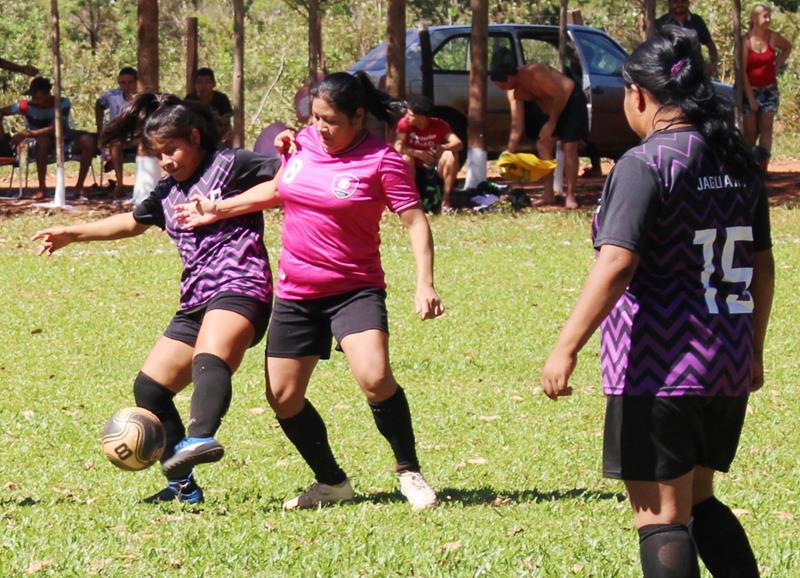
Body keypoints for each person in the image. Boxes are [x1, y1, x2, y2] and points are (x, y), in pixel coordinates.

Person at [541, 27, 773, 578]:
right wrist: (754, 349)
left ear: (638, 95)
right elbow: (763, 265)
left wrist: (565, 348)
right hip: (726, 363)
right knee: (697, 501)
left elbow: (617, 263)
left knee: (660, 518)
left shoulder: (646, 164)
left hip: (660, 367)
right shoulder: (736, 158)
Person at [176, 71, 445, 512]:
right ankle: (332, 482)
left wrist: (424, 282)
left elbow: (415, 221)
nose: (321, 127)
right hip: (297, 292)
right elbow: (279, 189)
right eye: (316, 117)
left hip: (354, 289)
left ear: (359, 117)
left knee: (375, 378)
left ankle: (408, 471)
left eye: (332, 120)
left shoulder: (382, 161)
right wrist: (217, 209)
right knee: (282, 397)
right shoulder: (302, 143)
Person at [31, 93, 280, 503]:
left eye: (172, 151)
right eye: (157, 155)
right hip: (196, 297)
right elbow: (132, 222)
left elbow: (290, 176)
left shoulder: (231, 164)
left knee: (209, 356)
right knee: (150, 389)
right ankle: (182, 487)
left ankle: (200, 438)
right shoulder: (167, 192)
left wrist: (229, 204)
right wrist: (72, 234)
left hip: (241, 285)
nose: (166, 161)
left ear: (195, 137)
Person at [490, 49, 588, 209]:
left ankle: (570, 194)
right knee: (543, 145)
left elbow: (560, 94)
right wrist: (509, 151)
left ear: (511, 77)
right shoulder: (513, 93)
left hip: (570, 100)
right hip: (548, 110)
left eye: (503, 85)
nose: (503, 89)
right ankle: (548, 193)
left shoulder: (535, 72)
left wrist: (552, 123)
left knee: (569, 146)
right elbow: (517, 124)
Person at [0, 76, 98, 200]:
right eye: (33, 97)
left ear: (48, 94)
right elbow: (1, 111)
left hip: (64, 139)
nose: (34, 100)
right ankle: (42, 188)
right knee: (43, 140)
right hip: (37, 143)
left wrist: (28, 133)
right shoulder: (25, 105)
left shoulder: (62, 103)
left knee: (88, 141)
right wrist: (2, 136)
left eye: (38, 97)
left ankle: (79, 186)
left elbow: (55, 128)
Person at [743, 3, 793, 173]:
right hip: (749, 89)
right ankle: (749, 168)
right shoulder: (746, 40)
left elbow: (787, 47)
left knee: (766, 128)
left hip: (769, 89)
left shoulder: (773, 37)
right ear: (754, 19)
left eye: (769, 15)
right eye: (765, 16)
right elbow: (742, 71)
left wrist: (776, 66)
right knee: (750, 131)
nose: (768, 19)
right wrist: (750, 98)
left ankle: (763, 168)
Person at [394, 96, 463, 213]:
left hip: (434, 167)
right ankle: (411, 200)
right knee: (406, 158)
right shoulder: (404, 124)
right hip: (414, 168)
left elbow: (458, 143)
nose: (406, 116)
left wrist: (443, 147)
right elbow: (398, 146)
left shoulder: (439, 124)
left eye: (410, 114)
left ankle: (446, 200)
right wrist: (417, 153)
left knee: (450, 155)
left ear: (421, 117)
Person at [95, 67, 139, 198]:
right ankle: (120, 184)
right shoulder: (112, 95)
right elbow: (99, 104)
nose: (127, 86)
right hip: (119, 136)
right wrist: (99, 125)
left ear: (136, 81)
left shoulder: (142, 97)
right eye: (122, 82)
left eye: (130, 82)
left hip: (139, 136)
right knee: (115, 145)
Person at [656, 0, 719, 77]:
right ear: (669, 4)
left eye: (683, 1)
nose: (679, 4)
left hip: (696, 75)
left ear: (688, 3)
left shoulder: (697, 21)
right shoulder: (661, 24)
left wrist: (712, 64)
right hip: (670, 76)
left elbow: (710, 45)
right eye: (675, 2)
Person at [185, 68, 234, 148]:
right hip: (196, 135)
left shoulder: (221, 99)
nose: (203, 86)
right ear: (195, 85)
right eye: (200, 82)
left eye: (207, 82)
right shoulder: (190, 99)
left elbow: (226, 124)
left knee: (230, 133)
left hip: (217, 135)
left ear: (213, 84)